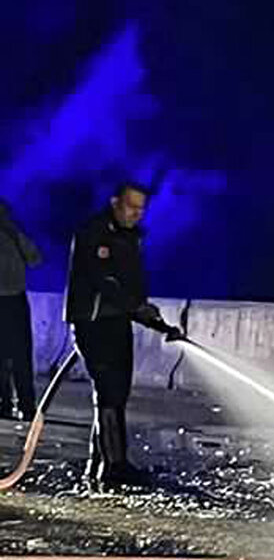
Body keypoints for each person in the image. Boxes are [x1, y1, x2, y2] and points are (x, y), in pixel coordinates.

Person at [66, 180, 182, 491]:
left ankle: (99, 462)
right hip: (93, 322)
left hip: (116, 322)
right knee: (109, 391)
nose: (136, 214)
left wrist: (152, 318)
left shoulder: (131, 238)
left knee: (117, 394)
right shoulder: (94, 232)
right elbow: (104, 281)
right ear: (115, 202)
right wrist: (137, 307)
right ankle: (114, 466)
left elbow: (129, 287)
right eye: (131, 207)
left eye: (141, 209)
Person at [0, 197, 42, 422]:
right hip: (11, 300)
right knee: (12, 358)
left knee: (20, 357)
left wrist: (14, 232)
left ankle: (25, 405)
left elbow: (35, 258)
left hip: (14, 300)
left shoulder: (15, 235)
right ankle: (7, 404)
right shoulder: (14, 235)